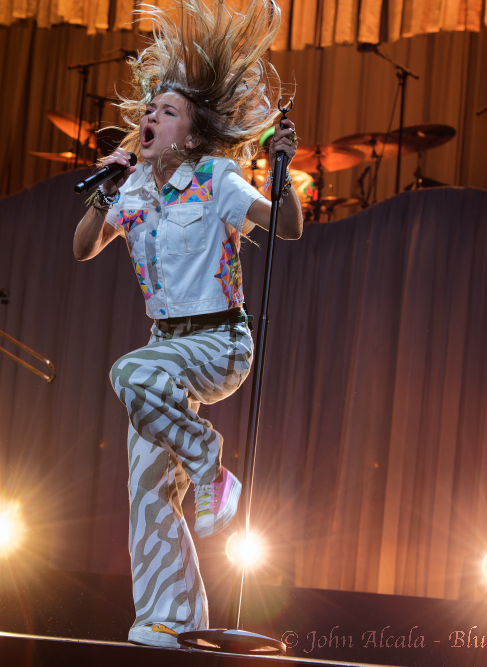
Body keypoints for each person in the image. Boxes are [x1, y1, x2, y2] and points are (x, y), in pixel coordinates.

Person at [72, 0, 302, 648]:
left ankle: (207, 459)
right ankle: (172, 616)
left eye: (166, 112)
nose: (150, 117)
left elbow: (285, 229)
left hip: (218, 341)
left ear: (193, 134)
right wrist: (106, 188)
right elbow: (84, 247)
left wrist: (282, 176)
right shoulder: (135, 188)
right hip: (164, 351)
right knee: (147, 488)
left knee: (128, 372)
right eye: (149, 110)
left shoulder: (216, 178)